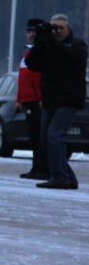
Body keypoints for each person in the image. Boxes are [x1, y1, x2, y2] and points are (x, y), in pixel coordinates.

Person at [25, 14, 88, 190]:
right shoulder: (48, 45)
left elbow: (75, 59)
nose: (57, 31)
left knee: (55, 136)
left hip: (69, 99)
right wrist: (39, 44)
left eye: (61, 28)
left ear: (68, 28)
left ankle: (59, 176)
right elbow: (32, 64)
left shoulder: (77, 44)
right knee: (45, 140)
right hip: (50, 99)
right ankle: (68, 177)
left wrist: (54, 44)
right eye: (54, 28)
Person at [17, 18, 49, 180]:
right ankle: (37, 167)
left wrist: (42, 98)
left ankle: (41, 168)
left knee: (39, 136)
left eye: (33, 32)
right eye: (29, 32)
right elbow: (22, 79)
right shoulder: (29, 52)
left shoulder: (41, 51)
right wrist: (20, 99)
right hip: (28, 100)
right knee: (34, 136)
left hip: (38, 101)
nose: (30, 35)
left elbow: (43, 79)